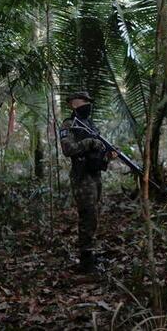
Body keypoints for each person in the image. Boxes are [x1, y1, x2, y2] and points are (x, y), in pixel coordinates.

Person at [59, 91, 114, 274]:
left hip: (94, 174)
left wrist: (108, 154)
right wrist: (89, 142)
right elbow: (68, 149)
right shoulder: (68, 125)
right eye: (85, 102)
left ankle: (90, 253)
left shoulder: (90, 125)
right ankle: (85, 258)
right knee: (87, 215)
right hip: (81, 176)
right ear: (74, 104)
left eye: (89, 102)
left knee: (94, 215)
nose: (88, 105)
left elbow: (98, 149)